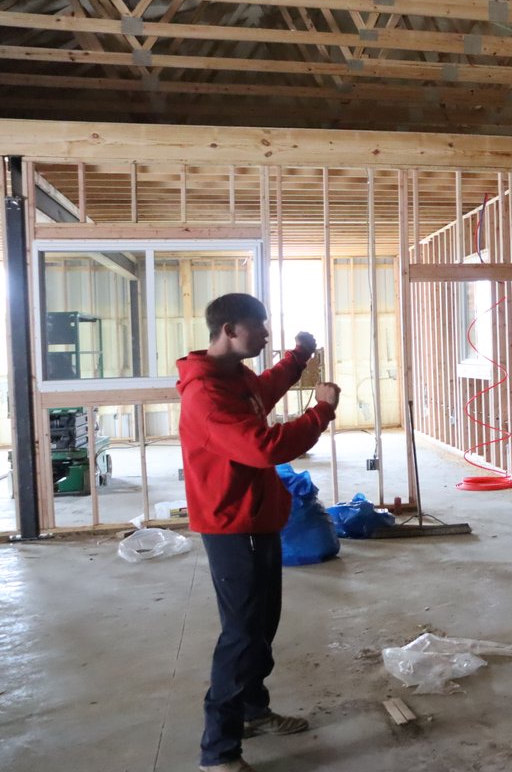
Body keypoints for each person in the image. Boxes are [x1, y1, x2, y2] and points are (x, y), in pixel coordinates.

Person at [177, 293, 340, 772]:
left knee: (261, 626)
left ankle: (252, 710)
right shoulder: (205, 393)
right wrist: (320, 412)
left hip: (257, 517)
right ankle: (219, 752)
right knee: (242, 635)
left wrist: (298, 357)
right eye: (258, 326)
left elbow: (262, 392)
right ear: (229, 328)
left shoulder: (234, 376)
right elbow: (261, 446)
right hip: (233, 523)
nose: (266, 334)